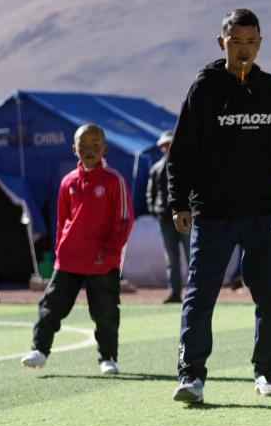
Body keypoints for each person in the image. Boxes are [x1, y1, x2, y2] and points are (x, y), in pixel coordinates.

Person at [167, 8, 271, 404]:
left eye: (250, 42)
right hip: (212, 212)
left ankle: (267, 372)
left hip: (262, 212)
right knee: (200, 295)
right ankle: (191, 377)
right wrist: (179, 202)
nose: (243, 50)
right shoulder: (204, 88)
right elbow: (181, 152)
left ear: (260, 43)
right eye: (235, 42)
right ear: (222, 43)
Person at [20, 123, 134, 375]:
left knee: (105, 312)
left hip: (102, 261)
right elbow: (61, 221)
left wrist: (110, 250)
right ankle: (39, 350)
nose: (89, 149)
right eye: (83, 145)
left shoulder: (114, 180)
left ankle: (107, 358)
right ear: (74, 149)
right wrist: (60, 251)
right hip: (69, 259)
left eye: (95, 144)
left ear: (105, 148)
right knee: (50, 306)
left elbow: (124, 219)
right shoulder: (68, 181)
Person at [146, 129, 189, 303]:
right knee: (171, 259)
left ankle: (194, 292)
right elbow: (150, 192)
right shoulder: (156, 168)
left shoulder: (186, 166)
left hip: (186, 219)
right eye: (165, 145)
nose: (167, 148)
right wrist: (155, 210)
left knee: (192, 257)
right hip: (165, 220)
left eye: (170, 144)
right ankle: (174, 293)